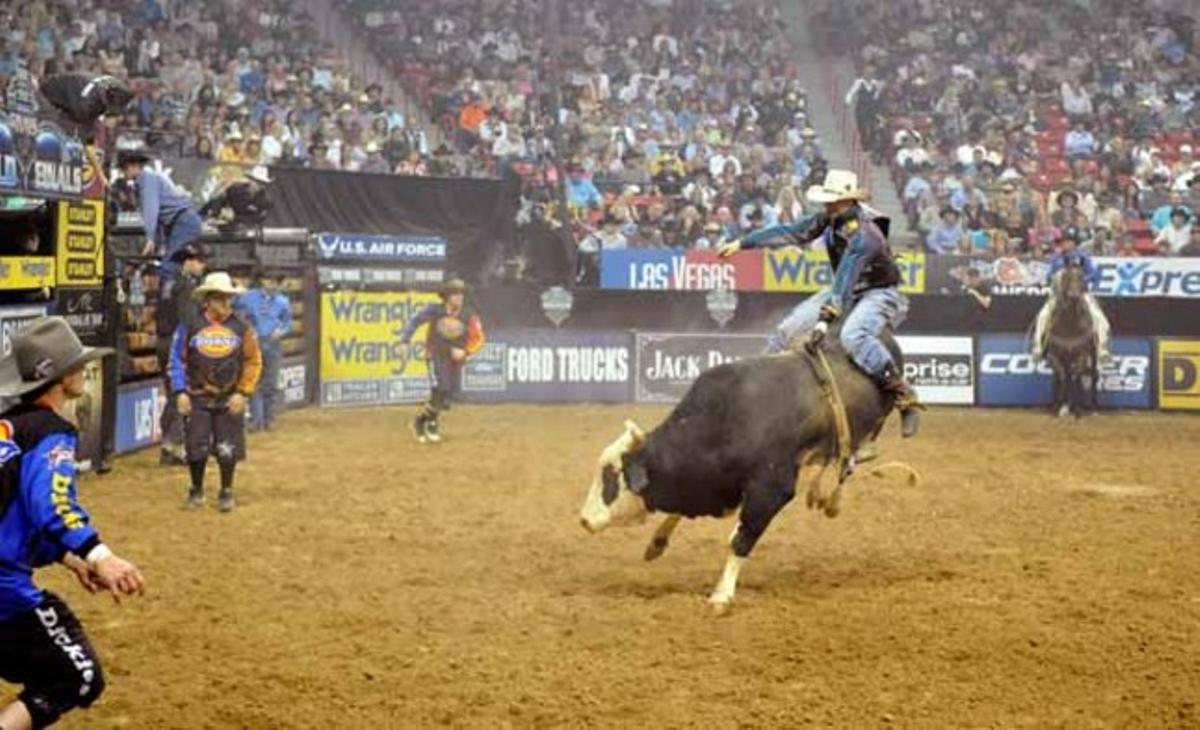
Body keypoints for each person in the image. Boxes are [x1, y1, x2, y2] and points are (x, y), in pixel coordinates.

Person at [0, 317, 145, 730]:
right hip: (3, 588)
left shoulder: (8, 428)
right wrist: (98, 555)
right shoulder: (50, 432)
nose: (84, 369)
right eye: (77, 364)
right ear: (60, 378)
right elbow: (51, 502)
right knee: (75, 676)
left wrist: (67, 557)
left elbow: (15, 515)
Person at [719, 169, 921, 437]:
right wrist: (744, 242)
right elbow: (793, 231)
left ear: (847, 201)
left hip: (878, 292)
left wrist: (824, 323)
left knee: (854, 336)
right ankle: (756, 390)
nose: (827, 205)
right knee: (786, 330)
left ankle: (902, 394)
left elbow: (844, 282)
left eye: (832, 201)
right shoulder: (830, 219)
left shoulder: (865, 236)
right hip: (846, 286)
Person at [168, 272, 262, 512]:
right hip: (197, 395)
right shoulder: (189, 325)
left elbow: (253, 361)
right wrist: (180, 391)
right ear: (207, 300)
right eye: (220, 298)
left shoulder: (242, 328)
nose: (225, 304)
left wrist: (243, 392)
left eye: (228, 298)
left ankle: (226, 489)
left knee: (227, 446)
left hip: (229, 397)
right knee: (195, 445)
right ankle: (196, 488)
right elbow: (176, 359)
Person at [399, 279, 485, 444]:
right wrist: (404, 340)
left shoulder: (469, 315)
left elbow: (479, 337)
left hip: (455, 360)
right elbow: (415, 321)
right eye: (455, 294)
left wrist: (465, 351)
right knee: (440, 388)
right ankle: (430, 424)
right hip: (434, 355)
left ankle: (422, 420)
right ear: (446, 296)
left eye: (461, 294)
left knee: (446, 397)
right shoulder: (434, 310)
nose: (459, 297)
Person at [155, 243, 208, 466]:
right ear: (190, 261)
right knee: (181, 391)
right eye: (201, 261)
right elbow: (188, 319)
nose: (203, 266)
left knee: (173, 391)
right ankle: (171, 445)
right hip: (178, 342)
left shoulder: (168, 282)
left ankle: (169, 441)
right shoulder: (186, 286)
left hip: (163, 340)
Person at [117, 150, 203, 276]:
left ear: (135, 165)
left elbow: (151, 210)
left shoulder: (147, 179)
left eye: (125, 168)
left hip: (183, 222)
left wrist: (149, 238)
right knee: (172, 264)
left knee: (169, 266)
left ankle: (170, 294)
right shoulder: (143, 182)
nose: (123, 172)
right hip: (180, 223)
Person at [1032, 233, 1112, 364]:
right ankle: (1038, 348)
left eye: (1069, 242)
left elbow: (1093, 273)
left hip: (1082, 294)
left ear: (1074, 244)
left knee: (1099, 317)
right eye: (1064, 242)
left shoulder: (1083, 257)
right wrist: (1059, 279)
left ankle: (1103, 350)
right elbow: (1049, 275)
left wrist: (1080, 280)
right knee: (1043, 315)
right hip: (1059, 294)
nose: (1066, 244)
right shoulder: (1056, 258)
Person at [234, 271, 292, 431]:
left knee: (271, 382)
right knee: (254, 381)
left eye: (275, 280)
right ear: (262, 281)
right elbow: (233, 307)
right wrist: (246, 325)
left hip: (273, 342)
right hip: (255, 341)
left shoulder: (283, 301)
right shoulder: (248, 297)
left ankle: (269, 419)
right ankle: (256, 420)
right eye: (269, 279)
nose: (272, 283)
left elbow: (288, 322)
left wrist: (281, 331)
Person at [197, 165, 272, 227]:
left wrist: (234, 218)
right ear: (250, 180)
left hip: (247, 230)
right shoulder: (235, 189)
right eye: (255, 181)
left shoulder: (266, 201)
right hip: (225, 225)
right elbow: (219, 200)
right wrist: (215, 214)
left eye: (260, 183)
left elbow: (258, 218)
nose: (257, 185)